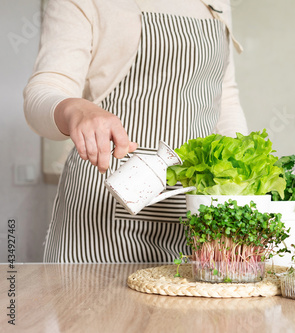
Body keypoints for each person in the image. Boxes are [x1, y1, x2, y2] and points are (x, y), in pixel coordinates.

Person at [23, 0, 248, 263]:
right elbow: (45, 88)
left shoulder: (215, 3)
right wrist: (74, 108)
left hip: (194, 215)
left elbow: (225, 99)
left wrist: (242, 178)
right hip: (103, 214)